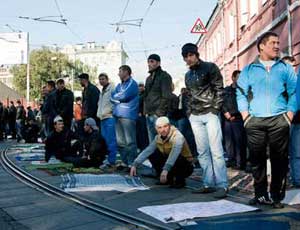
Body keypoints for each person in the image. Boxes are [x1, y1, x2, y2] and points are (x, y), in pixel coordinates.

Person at [236, 31, 297, 208]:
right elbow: (240, 92)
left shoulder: (284, 68)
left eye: (278, 43)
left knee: (279, 160)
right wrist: (245, 116)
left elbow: (294, 91)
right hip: (255, 121)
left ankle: (277, 196)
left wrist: (290, 114)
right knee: (257, 160)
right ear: (261, 46)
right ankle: (260, 195)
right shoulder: (249, 70)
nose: (277, 46)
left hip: (280, 119)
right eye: (273, 43)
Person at [182, 42, 228, 198]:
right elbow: (188, 95)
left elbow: (219, 89)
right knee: (202, 152)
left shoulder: (210, 67)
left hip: (210, 113)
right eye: (185, 56)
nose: (188, 59)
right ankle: (208, 183)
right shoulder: (188, 75)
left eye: (190, 55)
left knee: (216, 151)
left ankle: (222, 185)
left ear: (196, 54)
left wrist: (215, 109)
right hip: (195, 116)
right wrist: (189, 113)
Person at [130, 116, 194, 188]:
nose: (163, 130)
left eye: (165, 126)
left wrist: (165, 170)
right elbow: (148, 151)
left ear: (169, 126)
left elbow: (174, 154)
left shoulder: (178, 136)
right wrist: (135, 164)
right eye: (159, 128)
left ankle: (180, 180)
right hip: (170, 164)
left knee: (178, 158)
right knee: (153, 154)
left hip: (185, 166)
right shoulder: (157, 137)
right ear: (156, 128)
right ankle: (166, 178)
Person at [111, 65, 139, 169]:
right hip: (118, 115)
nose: (118, 74)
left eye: (120, 71)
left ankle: (132, 163)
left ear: (126, 72)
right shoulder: (119, 85)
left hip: (128, 116)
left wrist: (117, 98)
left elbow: (123, 95)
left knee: (130, 141)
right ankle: (124, 162)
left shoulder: (132, 84)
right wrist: (118, 98)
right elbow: (112, 97)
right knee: (120, 142)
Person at [143, 54, 173, 142]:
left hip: (159, 115)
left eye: (152, 61)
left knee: (164, 141)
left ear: (158, 63)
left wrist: (159, 113)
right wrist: (145, 112)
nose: (149, 64)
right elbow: (146, 96)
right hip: (149, 114)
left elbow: (167, 96)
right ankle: (155, 156)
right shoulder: (148, 78)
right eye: (148, 62)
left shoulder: (164, 76)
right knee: (153, 142)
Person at [222, 70, 247, 170]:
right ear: (233, 78)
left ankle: (240, 163)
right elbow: (221, 102)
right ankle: (231, 160)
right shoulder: (226, 90)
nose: (240, 80)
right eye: (238, 77)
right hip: (228, 118)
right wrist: (226, 113)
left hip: (238, 118)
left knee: (239, 141)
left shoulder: (243, 90)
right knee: (228, 142)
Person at [96, 73, 117, 168]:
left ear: (107, 79)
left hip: (109, 117)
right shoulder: (102, 90)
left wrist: (111, 111)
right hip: (102, 118)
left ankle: (111, 160)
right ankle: (107, 159)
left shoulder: (112, 88)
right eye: (100, 79)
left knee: (111, 140)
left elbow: (116, 102)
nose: (101, 81)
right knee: (104, 140)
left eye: (103, 79)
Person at [136, 83, 149, 152]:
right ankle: (140, 147)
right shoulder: (137, 95)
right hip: (137, 116)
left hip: (143, 116)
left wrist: (142, 112)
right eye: (139, 86)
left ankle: (144, 148)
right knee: (138, 133)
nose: (140, 88)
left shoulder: (145, 95)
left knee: (144, 133)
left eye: (141, 86)